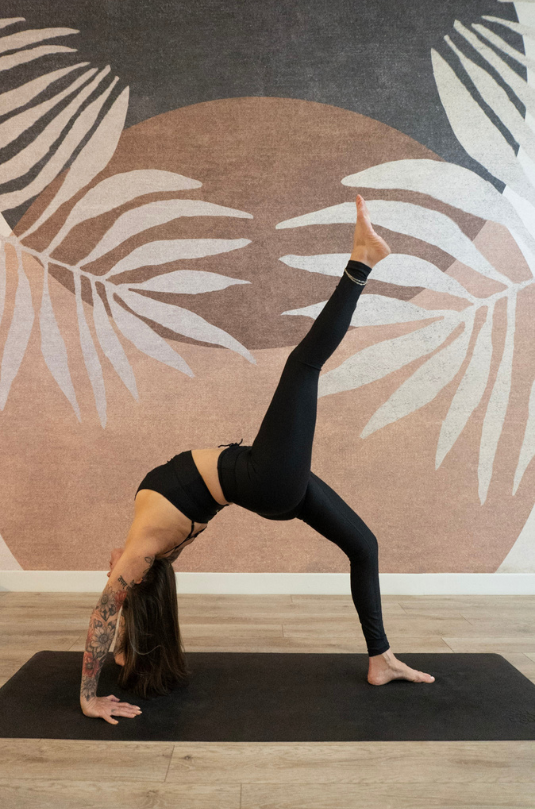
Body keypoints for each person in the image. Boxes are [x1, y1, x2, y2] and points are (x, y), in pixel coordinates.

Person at [80, 195, 435, 725]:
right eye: (116, 578)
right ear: (133, 581)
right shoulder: (141, 552)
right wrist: (88, 695)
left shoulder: (150, 548)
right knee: (303, 365)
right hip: (264, 479)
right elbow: (105, 613)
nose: (106, 569)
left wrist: (131, 648)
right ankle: (362, 260)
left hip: (262, 478)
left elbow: (123, 616)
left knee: (364, 545)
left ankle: (381, 658)